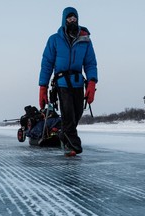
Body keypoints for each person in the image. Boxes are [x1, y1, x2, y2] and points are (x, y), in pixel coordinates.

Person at [38, 7, 98, 155]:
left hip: (78, 82)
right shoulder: (54, 40)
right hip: (62, 83)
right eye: (69, 19)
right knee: (68, 114)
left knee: (77, 113)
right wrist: (43, 87)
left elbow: (90, 63)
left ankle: (63, 135)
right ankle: (74, 145)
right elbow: (47, 64)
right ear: (64, 20)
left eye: (74, 19)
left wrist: (92, 82)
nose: (72, 21)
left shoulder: (85, 40)